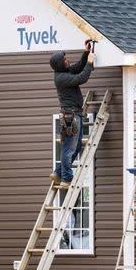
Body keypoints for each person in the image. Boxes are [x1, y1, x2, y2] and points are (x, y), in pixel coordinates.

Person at [48, 39, 96, 188]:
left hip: (74, 115)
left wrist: (86, 52)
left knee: (74, 148)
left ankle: (58, 173)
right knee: (69, 148)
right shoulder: (61, 78)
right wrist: (89, 63)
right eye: (65, 59)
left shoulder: (64, 72)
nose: (67, 60)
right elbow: (82, 77)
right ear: (60, 64)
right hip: (71, 116)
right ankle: (66, 178)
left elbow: (78, 67)